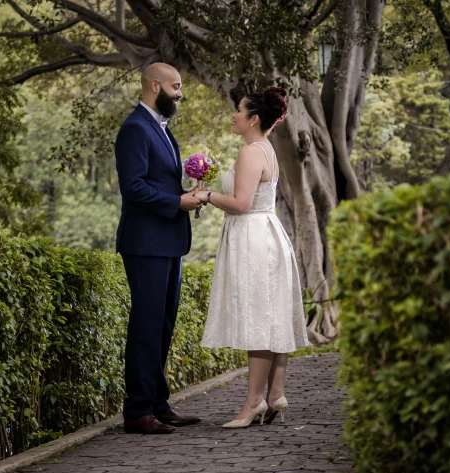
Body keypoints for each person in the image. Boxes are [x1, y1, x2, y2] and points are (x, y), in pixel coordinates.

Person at [195, 87, 309, 428]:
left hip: (253, 236)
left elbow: (241, 203)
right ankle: (275, 393)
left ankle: (253, 402)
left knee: (260, 318)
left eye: (239, 110)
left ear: (254, 118)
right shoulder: (267, 150)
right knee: (271, 314)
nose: (234, 115)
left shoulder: (250, 152)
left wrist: (207, 194)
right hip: (269, 232)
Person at [115, 63, 203, 434]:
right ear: (156, 86)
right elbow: (132, 187)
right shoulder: (135, 128)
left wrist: (188, 196)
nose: (180, 93)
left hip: (168, 242)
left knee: (163, 325)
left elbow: (161, 183)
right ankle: (137, 411)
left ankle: (158, 403)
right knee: (147, 326)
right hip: (146, 243)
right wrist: (178, 202)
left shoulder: (162, 129)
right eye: (176, 86)